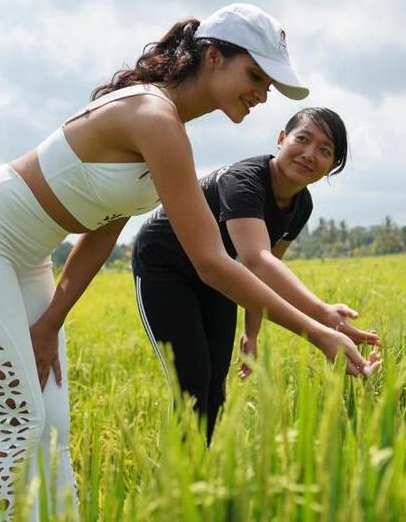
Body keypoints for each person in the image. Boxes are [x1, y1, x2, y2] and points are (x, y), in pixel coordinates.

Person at [0, 3, 380, 522]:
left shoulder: (168, 127)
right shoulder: (154, 117)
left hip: (29, 261)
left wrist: (52, 320)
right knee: (16, 421)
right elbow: (212, 263)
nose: (262, 94)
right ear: (213, 57)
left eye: (269, 84)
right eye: (255, 75)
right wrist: (319, 332)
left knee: (52, 423)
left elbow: (101, 228)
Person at [133, 107, 381, 442]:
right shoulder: (244, 180)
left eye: (325, 151)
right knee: (191, 379)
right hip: (166, 267)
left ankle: (201, 472)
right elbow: (256, 260)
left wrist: (252, 334)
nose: (310, 154)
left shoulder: (300, 205)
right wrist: (322, 318)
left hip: (221, 275)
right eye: (303, 139)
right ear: (282, 139)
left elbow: (265, 272)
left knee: (215, 384)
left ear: (331, 167)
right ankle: (177, 482)